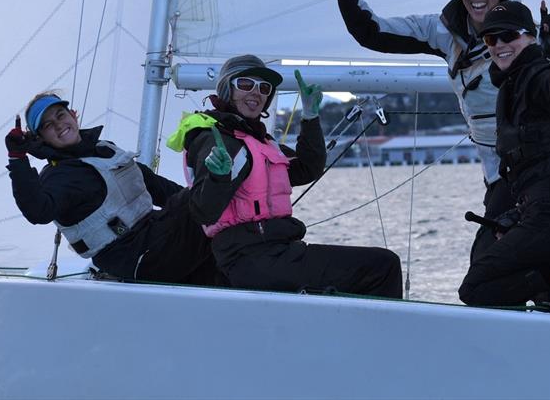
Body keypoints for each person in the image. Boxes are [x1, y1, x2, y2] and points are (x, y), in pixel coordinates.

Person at [330, 0, 518, 263]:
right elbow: (375, 33)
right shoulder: (444, 30)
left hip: (532, 167)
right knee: (504, 269)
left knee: (486, 274)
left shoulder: (529, 31)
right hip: (496, 173)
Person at [168, 54, 403, 298]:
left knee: (371, 267)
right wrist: (218, 177)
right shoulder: (218, 139)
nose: (256, 93)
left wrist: (310, 116)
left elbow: (307, 168)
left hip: (274, 252)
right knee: (382, 267)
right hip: (250, 258)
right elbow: (203, 211)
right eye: (246, 84)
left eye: (264, 88)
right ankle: (385, 335)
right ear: (228, 89)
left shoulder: (259, 142)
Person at [457, 1, 550, 315]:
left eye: (509, 35)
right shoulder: (512, 87)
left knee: (476, 287)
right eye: (491, 39)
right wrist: (513, 218)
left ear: (531, 37)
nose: (500, 45)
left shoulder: (541, 73)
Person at [5, 92, 223, 286]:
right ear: (40, 138)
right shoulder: (58, 176)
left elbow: (157, 186)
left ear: (73, 114)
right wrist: (17, 159)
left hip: (158, 237)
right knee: (216, 190)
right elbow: (38, 211)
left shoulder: (105, 150)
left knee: (221, 237)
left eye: (60, 115)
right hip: (134, 257)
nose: (58, 124)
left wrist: (203, 197)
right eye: (47, 125)